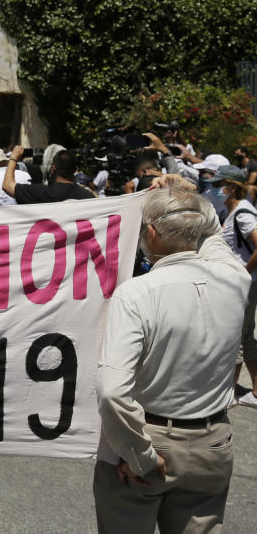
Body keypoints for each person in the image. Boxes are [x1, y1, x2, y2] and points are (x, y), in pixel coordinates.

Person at [94, 175, 246, 533]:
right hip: (212, 444)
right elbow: (212, 233)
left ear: (150, 234)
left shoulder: (137, 293)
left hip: (151, 439)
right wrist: (187, 197)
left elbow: (113, 391)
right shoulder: (235, 278)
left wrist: (138, 456)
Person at [204, 165, 257, 408]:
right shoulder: (233, 211)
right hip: (241, 285)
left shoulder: (243, 213)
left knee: (235, 335)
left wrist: (242, 273)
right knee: (244, 336)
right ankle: (251, 390)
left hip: (243, 286)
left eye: (218, 185)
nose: (214, 189)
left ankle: (230, 392)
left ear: (232, 187)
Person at [3, 145, 94, 203]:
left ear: (52, 169)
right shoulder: (88, 197)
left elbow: (7, 186)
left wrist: (13, 158)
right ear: (75, 170)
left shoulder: (41, 193)